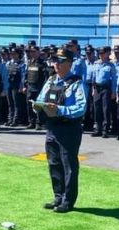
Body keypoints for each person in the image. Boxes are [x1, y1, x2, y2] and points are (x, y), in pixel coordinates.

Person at [34, 48, 87, 213]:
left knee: (68, 165)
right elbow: (41, 99)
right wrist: (37, 106)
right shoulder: (51, 80)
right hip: (52, 127)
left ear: (69, 63)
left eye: (60, 61)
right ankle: (58, 196)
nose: (55, 64)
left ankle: (68, 200)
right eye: (54, 60)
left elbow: (81, 107)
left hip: (68, 128)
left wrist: (60, 110)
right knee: (54, 163)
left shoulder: (77, 83)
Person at [91, 46, 117, 138]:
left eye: (103, 53)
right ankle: (98, 129)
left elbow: (114, 80)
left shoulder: (110, 65)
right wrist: (93, 90)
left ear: (107, 54)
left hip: (106, 88)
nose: (101, 55)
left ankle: (105, 130)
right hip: (97, 88)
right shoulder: (96, 64)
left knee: (106, 109)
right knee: (97, 109)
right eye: (100, 54)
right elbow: (93, 78)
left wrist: (114, 92)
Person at [24, 45, 49, 129]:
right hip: (30, 87)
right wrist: (24, 85)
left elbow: (46, 77)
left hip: (39, 88)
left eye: (34, 51)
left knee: (38, 106)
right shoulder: (29, 62)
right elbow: (26, 75)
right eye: (31, 52)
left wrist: (44, 89)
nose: (32, 53)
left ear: (38, 52)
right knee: (29, 105)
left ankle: (39, 123)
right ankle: (32, 122)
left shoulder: (43, 63)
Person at [5, 48, 27, 127]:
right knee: (10, 103)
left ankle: (15, 120)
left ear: (18, 54)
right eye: (11, 54)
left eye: (14, 54)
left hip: (16, 86)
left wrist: (22, 86)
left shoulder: (21, 64)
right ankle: (10, 119)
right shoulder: (8, 63)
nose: (12, 55)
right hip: (9, 85)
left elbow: (23, 76)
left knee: (16, 104)